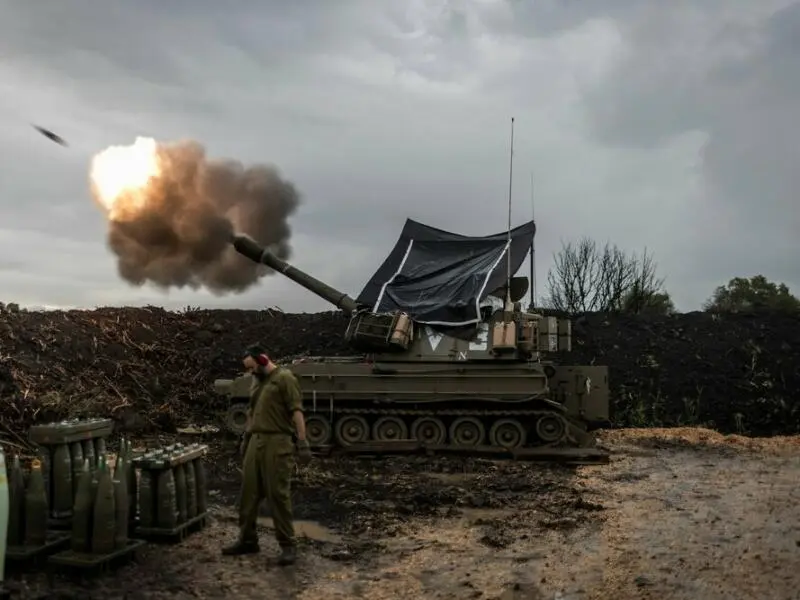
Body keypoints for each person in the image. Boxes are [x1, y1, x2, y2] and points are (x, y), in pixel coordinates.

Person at [222, 344, 312, 566]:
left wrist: (302, 442)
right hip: (256, 440)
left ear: (262, 360)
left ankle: (288, 545)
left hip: (277, 441)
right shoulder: (257, 381)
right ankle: (248, 540)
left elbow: (296, 411)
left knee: (277, 495)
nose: (250, 373)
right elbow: (252, 410)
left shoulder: (285, 378)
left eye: (252, 368)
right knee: (248, 493)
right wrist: (246, 437)